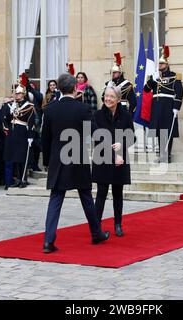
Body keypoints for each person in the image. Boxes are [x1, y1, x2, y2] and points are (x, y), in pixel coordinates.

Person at [41, 73, 110, 254]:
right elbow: (93, 133)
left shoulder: (49, 109)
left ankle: (48, 241)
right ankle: (96, 233)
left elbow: (45, 139)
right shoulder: (82, 109)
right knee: (86, 197)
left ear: (59, 89)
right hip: (77, 158)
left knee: (56, 199)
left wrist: (48, 162)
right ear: (74, 89)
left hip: (58, 159)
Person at [92, 85, 135, 237]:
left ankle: (118, 224)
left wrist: (122, 143)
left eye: (111, 97)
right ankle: (96, 226)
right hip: (103, 158)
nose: (108, 99)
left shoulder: (126, 115)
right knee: (101, 193)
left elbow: (132, 137)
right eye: (106, 96)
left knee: (118, 193)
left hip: (120, 159)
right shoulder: (97, 115)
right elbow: (97, 138)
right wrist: (113, 154)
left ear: (118, 99)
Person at [145, 46, 183, 163]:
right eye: (159, 64)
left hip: (168, 106)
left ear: (167, 64)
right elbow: (146, 89)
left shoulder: (174, 76)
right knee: (158, 131)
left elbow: (180, 92)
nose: (160, 66)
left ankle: (167, 155)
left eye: (162, 64)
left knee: (167, 131)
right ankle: (161, 155)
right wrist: (153, 79)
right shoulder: (155, 76)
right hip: (156, 107)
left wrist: (176, 107)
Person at [3, 82, 36, 189]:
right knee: (15, 157)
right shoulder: (14, 105)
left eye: (19, 94)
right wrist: (11, 109)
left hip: (22, 132)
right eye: (16, 94)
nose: (17, 95)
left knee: (22, 157)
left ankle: (24, 179)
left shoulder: (29, 106)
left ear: (23, 94)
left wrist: (30, 136)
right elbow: (7, 119)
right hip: (13, 133)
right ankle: (18, 179)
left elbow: (31, 122)